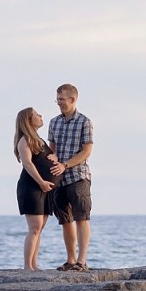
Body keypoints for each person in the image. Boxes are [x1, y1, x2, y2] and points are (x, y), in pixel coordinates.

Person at [47, 83, 94, 271]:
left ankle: (82, 261)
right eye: (57, 100)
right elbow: (52, 149)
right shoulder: (53, 122)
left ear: (72, 99)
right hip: (59, 179)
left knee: (82, 217)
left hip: (78, 176)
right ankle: (71, 260)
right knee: (65, 220)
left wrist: (65, 164)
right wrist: (54, 161)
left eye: (61, 100)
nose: (58, 103)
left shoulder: (85, 122)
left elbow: (86, 151)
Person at [14, 107, 61, 270]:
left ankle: (34, 264)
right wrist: (41, 181)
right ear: (28, 120)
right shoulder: (25, 140)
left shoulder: (39, 140)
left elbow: (47, 157)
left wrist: (55, 156)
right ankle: (27, 266)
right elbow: (28, 163)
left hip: (44, 189)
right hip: (32, 187)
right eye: (37, 115)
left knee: (39, 228)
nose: (41, 116)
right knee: (34, 228)